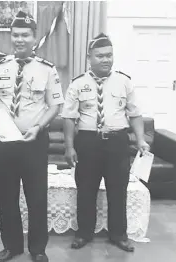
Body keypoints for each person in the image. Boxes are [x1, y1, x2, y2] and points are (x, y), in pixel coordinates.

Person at [0, 11, 64, 262]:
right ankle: (12, 246)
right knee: (6, 196)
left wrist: (38, 127)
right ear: (10, 37)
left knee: (36, 197)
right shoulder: (1, 67)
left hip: (34, 141)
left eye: (25, 35)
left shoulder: (47, 70)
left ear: (35, 38)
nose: (20, 40)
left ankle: (38, 249)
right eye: (15, 35)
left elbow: (55, 105)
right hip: (4, 142)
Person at [62, 33, 150, 252]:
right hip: (88, 142)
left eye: (109, 55)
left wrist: (141, 140)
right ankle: (84, 234)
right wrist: (69, 146)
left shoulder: (124, 82)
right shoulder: (77, 84)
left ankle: (118, 235)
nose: (106, 60)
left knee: (118, 190)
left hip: (117, 142)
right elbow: (69, 118)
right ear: (89, 58)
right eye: (100, 56)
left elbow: (135, 114)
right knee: (86, 190)